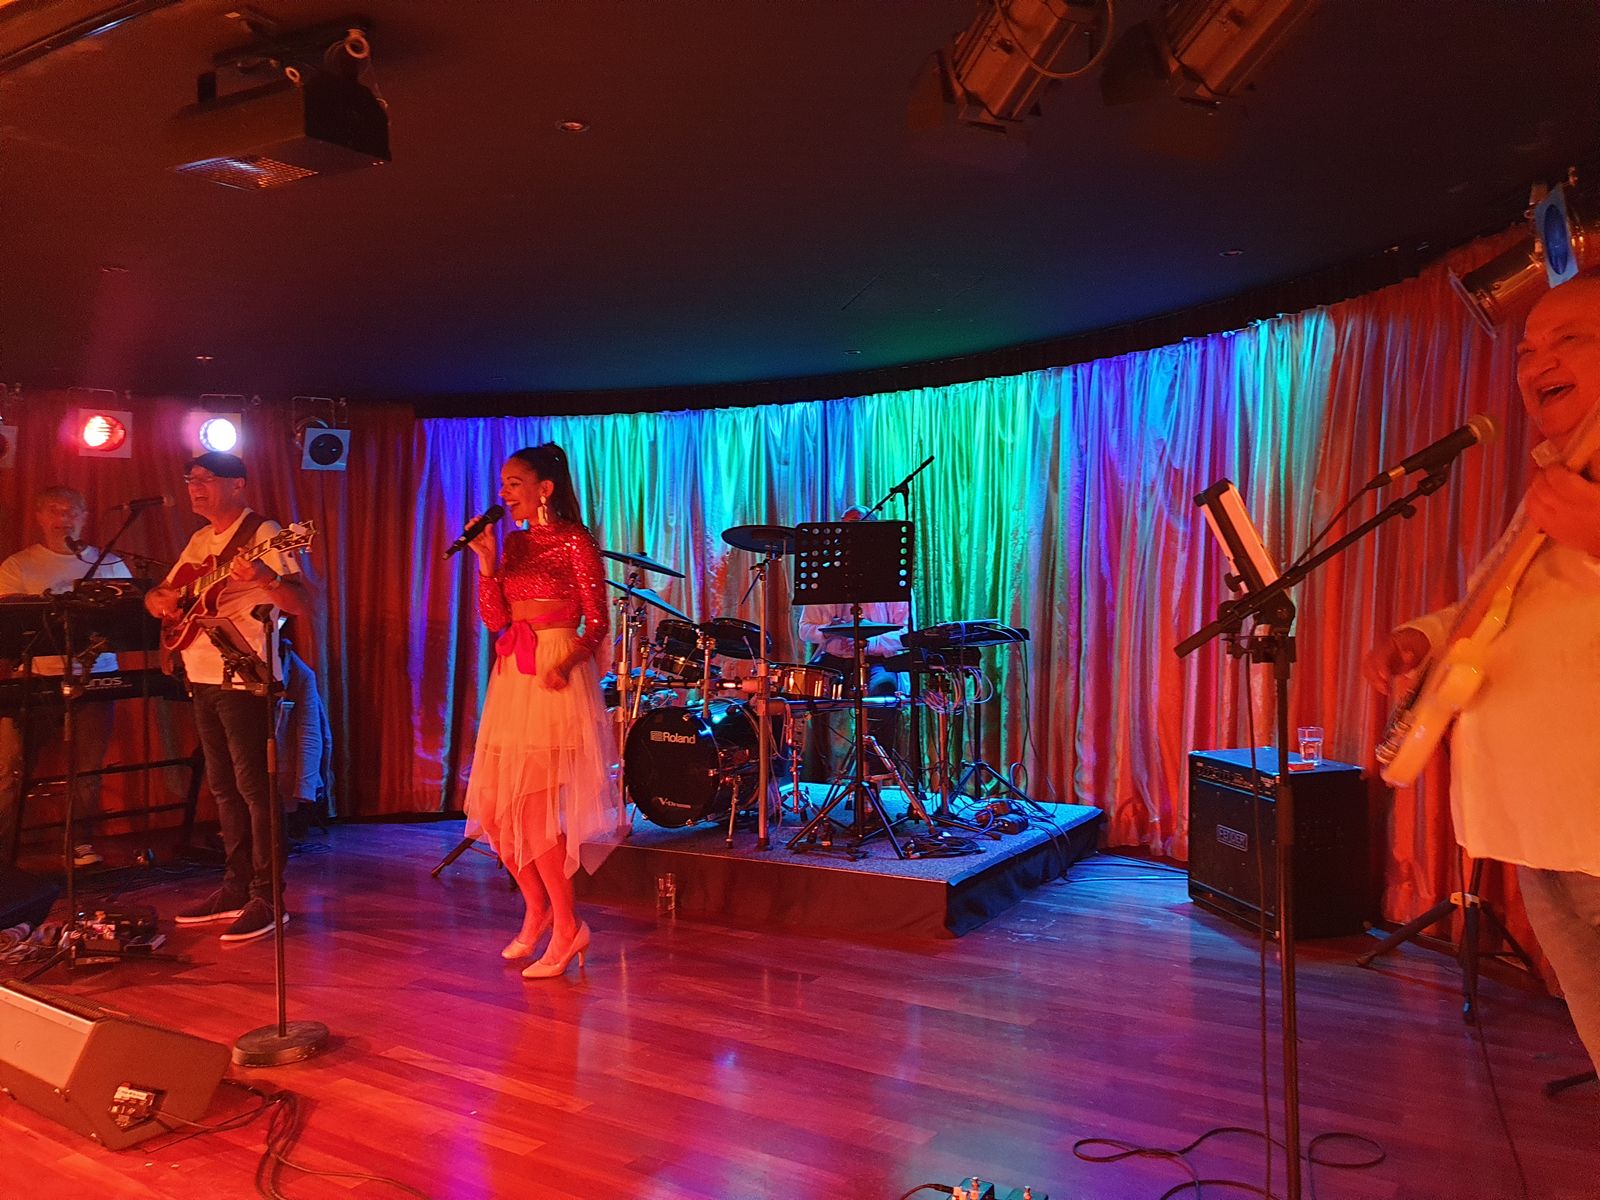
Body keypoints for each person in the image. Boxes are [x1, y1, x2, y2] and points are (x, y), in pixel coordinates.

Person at [1363, 271, 1600, 1076]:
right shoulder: (1554, 477)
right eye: (1527, 349)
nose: (1537, 363)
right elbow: (1505, 602)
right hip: (1538, 827)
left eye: (1569, 340)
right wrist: (1424, 637)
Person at [464, 442, 621, 980]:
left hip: (554, 671)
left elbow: (597, 622)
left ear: (544, 488)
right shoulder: (513, 542)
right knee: (496, 812)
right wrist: (486, 562)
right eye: (503, 484)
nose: (504, 494)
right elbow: (496, 621)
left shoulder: (575, 540)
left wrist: (567, 663)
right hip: (514, 672)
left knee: (532, 811)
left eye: (514, 484)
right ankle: (538, 909)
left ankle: (568, 926)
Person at [143, 452, 310, 943]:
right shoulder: (200, 540)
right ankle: (234, 888)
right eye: (190, 479)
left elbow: (300, 602)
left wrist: (265, 579)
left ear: (238, 485)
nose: (195, 487)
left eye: (206, 478)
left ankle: (268, 896)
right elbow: (164, 593)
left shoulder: (265, 533)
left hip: (245, 678)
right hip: (201, 675)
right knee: (224, 789)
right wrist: (158, 600)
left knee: (255, 790)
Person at [0, 486, 130, 868]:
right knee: (10, 768)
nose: (64, 518)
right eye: (55, 510)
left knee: (86, 767)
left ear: (84, 517)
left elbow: (132, 615)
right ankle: (4, 848)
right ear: (39, 518)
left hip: (94, 678)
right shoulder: (18, 566)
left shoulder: (110, 563)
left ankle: (77, 842)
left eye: (72, 511)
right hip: (35, 680)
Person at [796, 505, 909, 781]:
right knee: (800, 692)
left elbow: (906, 632)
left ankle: (875, 778)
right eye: (846, 529)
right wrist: (829, 632)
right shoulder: (825, 575)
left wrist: (869, 643)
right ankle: (814, 777)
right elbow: (804, 629)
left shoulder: (893, 577)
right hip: (835, 659)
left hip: (877, 659)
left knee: (883, 692)